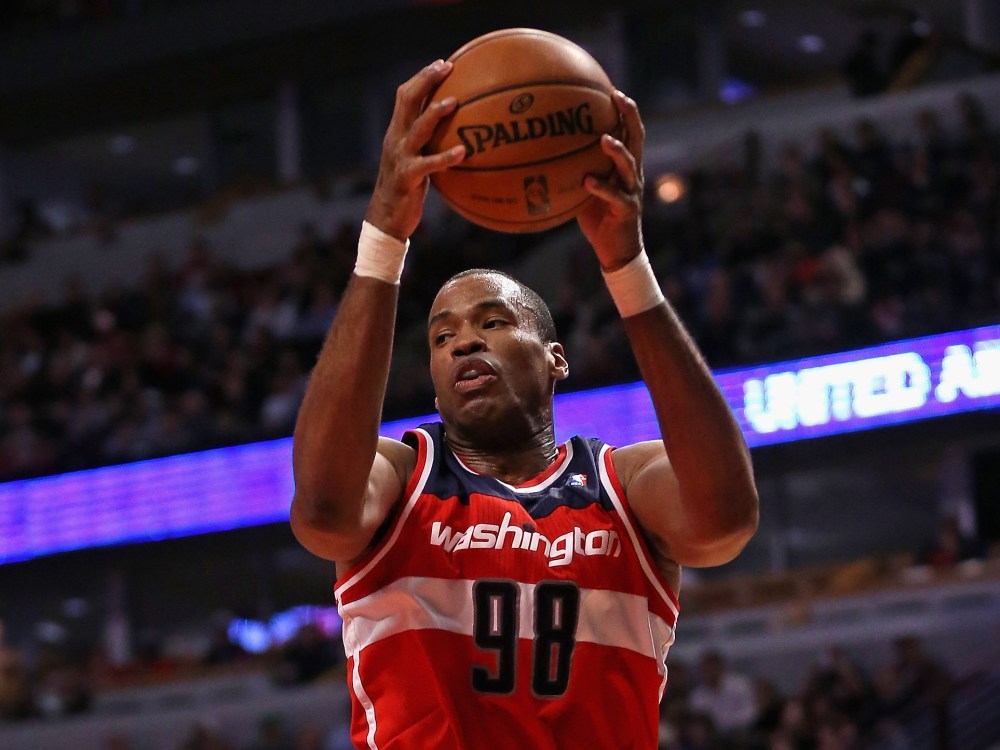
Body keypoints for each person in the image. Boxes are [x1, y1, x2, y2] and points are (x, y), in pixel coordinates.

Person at [290, 58, 759, 750]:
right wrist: (384, 236)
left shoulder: (624, 485)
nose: (463, 342)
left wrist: (626, 268)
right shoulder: (400, 476)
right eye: (442, 336)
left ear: (555, 359)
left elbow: (725, 520)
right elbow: (324, 514)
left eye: (493, 322)